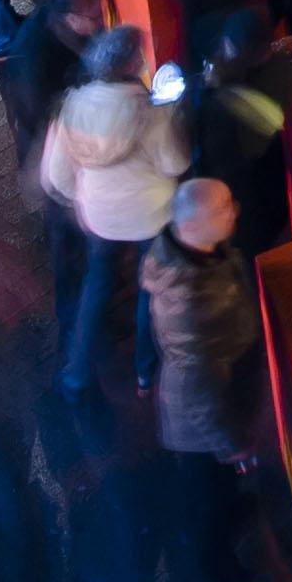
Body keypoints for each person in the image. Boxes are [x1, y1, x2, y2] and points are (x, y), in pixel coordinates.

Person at [35, 25, 186, 396]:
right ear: (131, 65)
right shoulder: (149, 113)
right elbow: (175, 163)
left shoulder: (73, 107)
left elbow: (55, 176)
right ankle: (145, 373)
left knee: (96, 285)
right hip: (152, 215)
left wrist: (84, 197)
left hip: (100, 218)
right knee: (150, 290)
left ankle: (77, 370)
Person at [140, 176, 272, 582]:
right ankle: (215, 579)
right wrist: (232, 444)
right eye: (223, 208)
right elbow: (202, 392)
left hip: (222, 400)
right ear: (193, 225)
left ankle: (233, 507)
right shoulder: (190, 304)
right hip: (203, 428)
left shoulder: (196, 251)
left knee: (220, 488)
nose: (235, 210)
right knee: (207, 499)